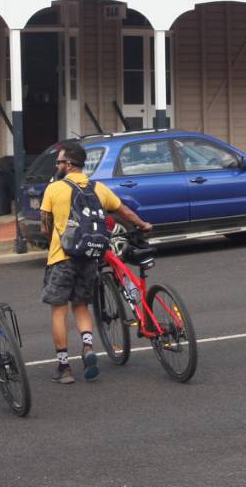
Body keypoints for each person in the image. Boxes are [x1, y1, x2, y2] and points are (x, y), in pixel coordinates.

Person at [39, 141, 153, 384]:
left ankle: (64, 367)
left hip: (62, 258)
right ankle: (88, 347)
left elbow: (45, 226)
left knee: (59, 311)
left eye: (59, 161)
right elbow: (124, 211)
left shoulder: (54, 189)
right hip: (90, 256)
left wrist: (54, 241)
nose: (57, 165)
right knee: (81, 306)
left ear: (69, 164)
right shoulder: (98, 188)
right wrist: (143, 225)